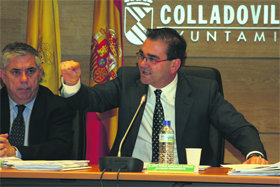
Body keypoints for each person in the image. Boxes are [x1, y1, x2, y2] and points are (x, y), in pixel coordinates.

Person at [60, 28, 268, 165]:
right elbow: (92, 99)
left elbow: (238, 126)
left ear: (174, 65)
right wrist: (72, 84)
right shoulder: (127, 81)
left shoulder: (203, 91)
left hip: (184, 181)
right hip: (131, 180)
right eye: (141, 55)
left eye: (152, 59)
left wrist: (254, 154)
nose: (142, 64)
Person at [0, 42, 74, 160]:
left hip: (41, 177)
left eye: (30, 71)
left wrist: (15, 152)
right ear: (3, 76)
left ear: (40, 74)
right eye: (16, 72)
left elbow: (61, 149)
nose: (24, 79)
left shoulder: (57, 106)